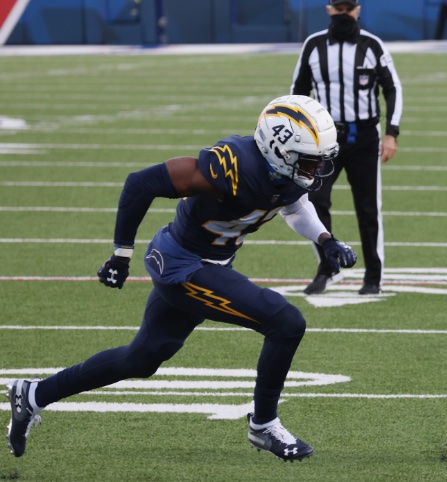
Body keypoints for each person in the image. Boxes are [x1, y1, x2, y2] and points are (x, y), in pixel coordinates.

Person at [6, 95, 358, 462]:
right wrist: (120, 254)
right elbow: (140, 184)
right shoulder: (231, 165)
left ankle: (32, 394)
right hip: (182, 266)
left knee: (140, 359)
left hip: (209, 264)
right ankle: (264, 426)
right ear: (278, 148)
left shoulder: (284, 172)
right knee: (286, 322)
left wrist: (325, 239)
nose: (317, 167)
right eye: (310, 158)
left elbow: (294, 204)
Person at [290, 0, 403, 296]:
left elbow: (392, 88)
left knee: (368, 209)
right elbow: (297, 93)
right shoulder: (313, 45)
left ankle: (373, 276)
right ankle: (328, 266)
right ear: (329, 10)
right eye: (337, 9)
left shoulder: (372, 45)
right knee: (314, 202)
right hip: (324, 140)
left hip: (365, 137)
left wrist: (391, 132)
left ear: (357, 10)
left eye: (347, 8)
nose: (343, 13)